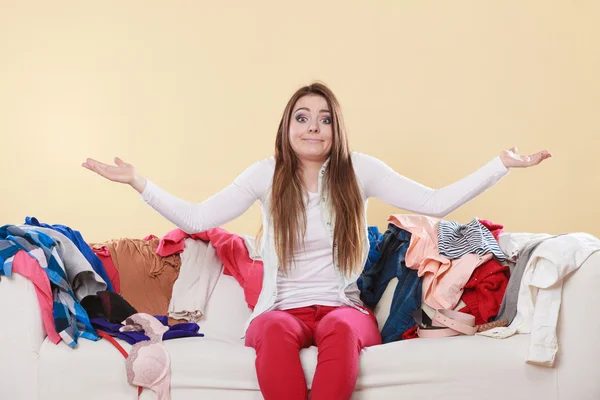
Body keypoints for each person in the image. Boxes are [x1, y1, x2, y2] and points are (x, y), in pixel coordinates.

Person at [82, 82, 552, 400]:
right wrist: (138, 181)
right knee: (271, 331)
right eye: (302, 118)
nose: (312, 127)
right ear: (287, 128)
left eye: (324, 119)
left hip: (343, 309)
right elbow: (198, 217)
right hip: (280, 311)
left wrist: (500, 166)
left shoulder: (359, 170)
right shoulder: (265, 175)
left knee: (341, 330)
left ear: (335, 129)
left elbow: (435, 201)